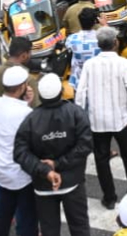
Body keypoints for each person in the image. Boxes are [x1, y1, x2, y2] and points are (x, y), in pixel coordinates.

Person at [14, 73, 92, 236]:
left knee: (49, 231)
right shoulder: (76, 113)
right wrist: (58, 164)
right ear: (62, 91)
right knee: (80, 229)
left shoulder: (31, 119)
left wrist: (46, 170)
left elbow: (20, 152)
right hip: (73, 184)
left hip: (44, 186)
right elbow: (85, 145)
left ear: (40, 95)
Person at [74, 26, 127, 210]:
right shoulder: (123, 63)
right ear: (115, 43)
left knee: (101, 159)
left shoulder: (90, 65)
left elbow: (80, 93)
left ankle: (109, 197)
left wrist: (81, 116)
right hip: (122, 119)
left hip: (98, 121)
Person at [0, 66, 38, 236]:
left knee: (2, 218)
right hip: (22, 176)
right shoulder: (25, 113)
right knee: (26, 222)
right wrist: (28, 105)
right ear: (22, 87)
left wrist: (26, 103)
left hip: (1, 173)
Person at [0, 37, 40, 106]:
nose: (30, 56)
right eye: (29, 53)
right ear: (23, 56)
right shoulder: (27, 80)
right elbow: (35, 109)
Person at [65, 8, 103, 88]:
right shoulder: (101, 38)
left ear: (80, 21)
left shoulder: (71, 39)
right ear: (94, 22)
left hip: (79, 83)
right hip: (98, 82)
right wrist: (104, 25)